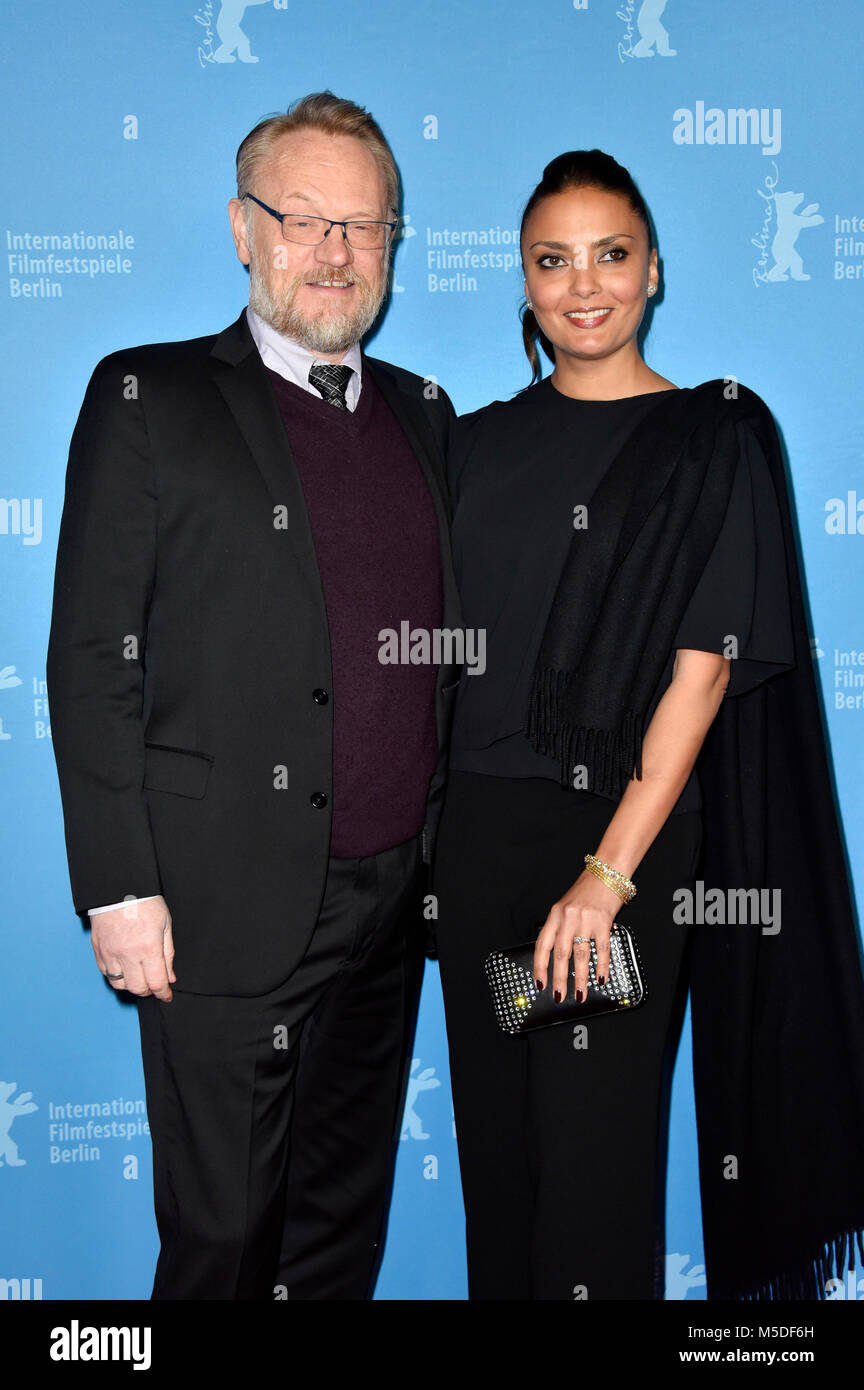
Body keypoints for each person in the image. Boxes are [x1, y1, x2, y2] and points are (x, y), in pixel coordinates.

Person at [46, 91, 459, 1301]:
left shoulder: (430, 416)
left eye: (364, 226)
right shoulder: (148, 399)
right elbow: (90, 659)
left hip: (390, 909)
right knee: (224, 1244)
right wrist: (119, 884)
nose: (334, 252)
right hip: (218, 908)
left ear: (394, 244)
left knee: (338, 1235)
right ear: (242, 227)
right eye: (302, 218)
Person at [433, 150, 864, 1301]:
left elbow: (703, 677)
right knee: (506, 1178)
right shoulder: (466, 447)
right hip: (477, 850)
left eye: (611, 254)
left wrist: (606, 875)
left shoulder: (711, 437)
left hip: (618, 844)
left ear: (655, 270)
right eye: (553, 260)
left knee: (596, 1179)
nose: (585, 284)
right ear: (522, 283)